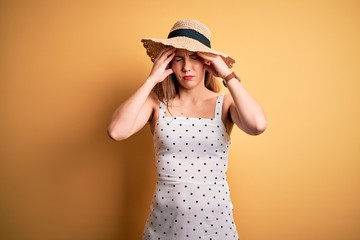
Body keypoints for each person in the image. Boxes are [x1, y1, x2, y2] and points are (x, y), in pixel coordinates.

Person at [108, 19, 266, 240]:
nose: (186, 67)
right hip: (164, 223)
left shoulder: (226, 103)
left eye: (194, 57)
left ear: (207, 63)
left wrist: (227, 74)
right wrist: (151, 80)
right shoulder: (156, 103)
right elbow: (116, 131)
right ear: (169, 64)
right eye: (178, 59)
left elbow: (258, 125)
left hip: (216, 224)